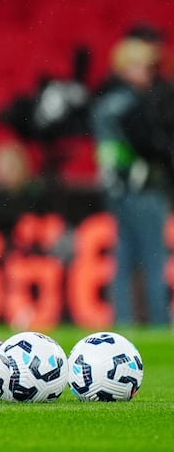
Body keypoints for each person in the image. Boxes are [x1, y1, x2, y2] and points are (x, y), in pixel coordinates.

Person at [90, 35, 172, 326]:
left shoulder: (105, 102)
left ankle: (123, 322)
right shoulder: (133, 103)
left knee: (124, 261)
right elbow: (153, 147)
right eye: (143, 66)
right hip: (143, 188)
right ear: (126, 67)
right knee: (153, 260)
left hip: (118, 190)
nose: (150, 73)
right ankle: (160, 322)